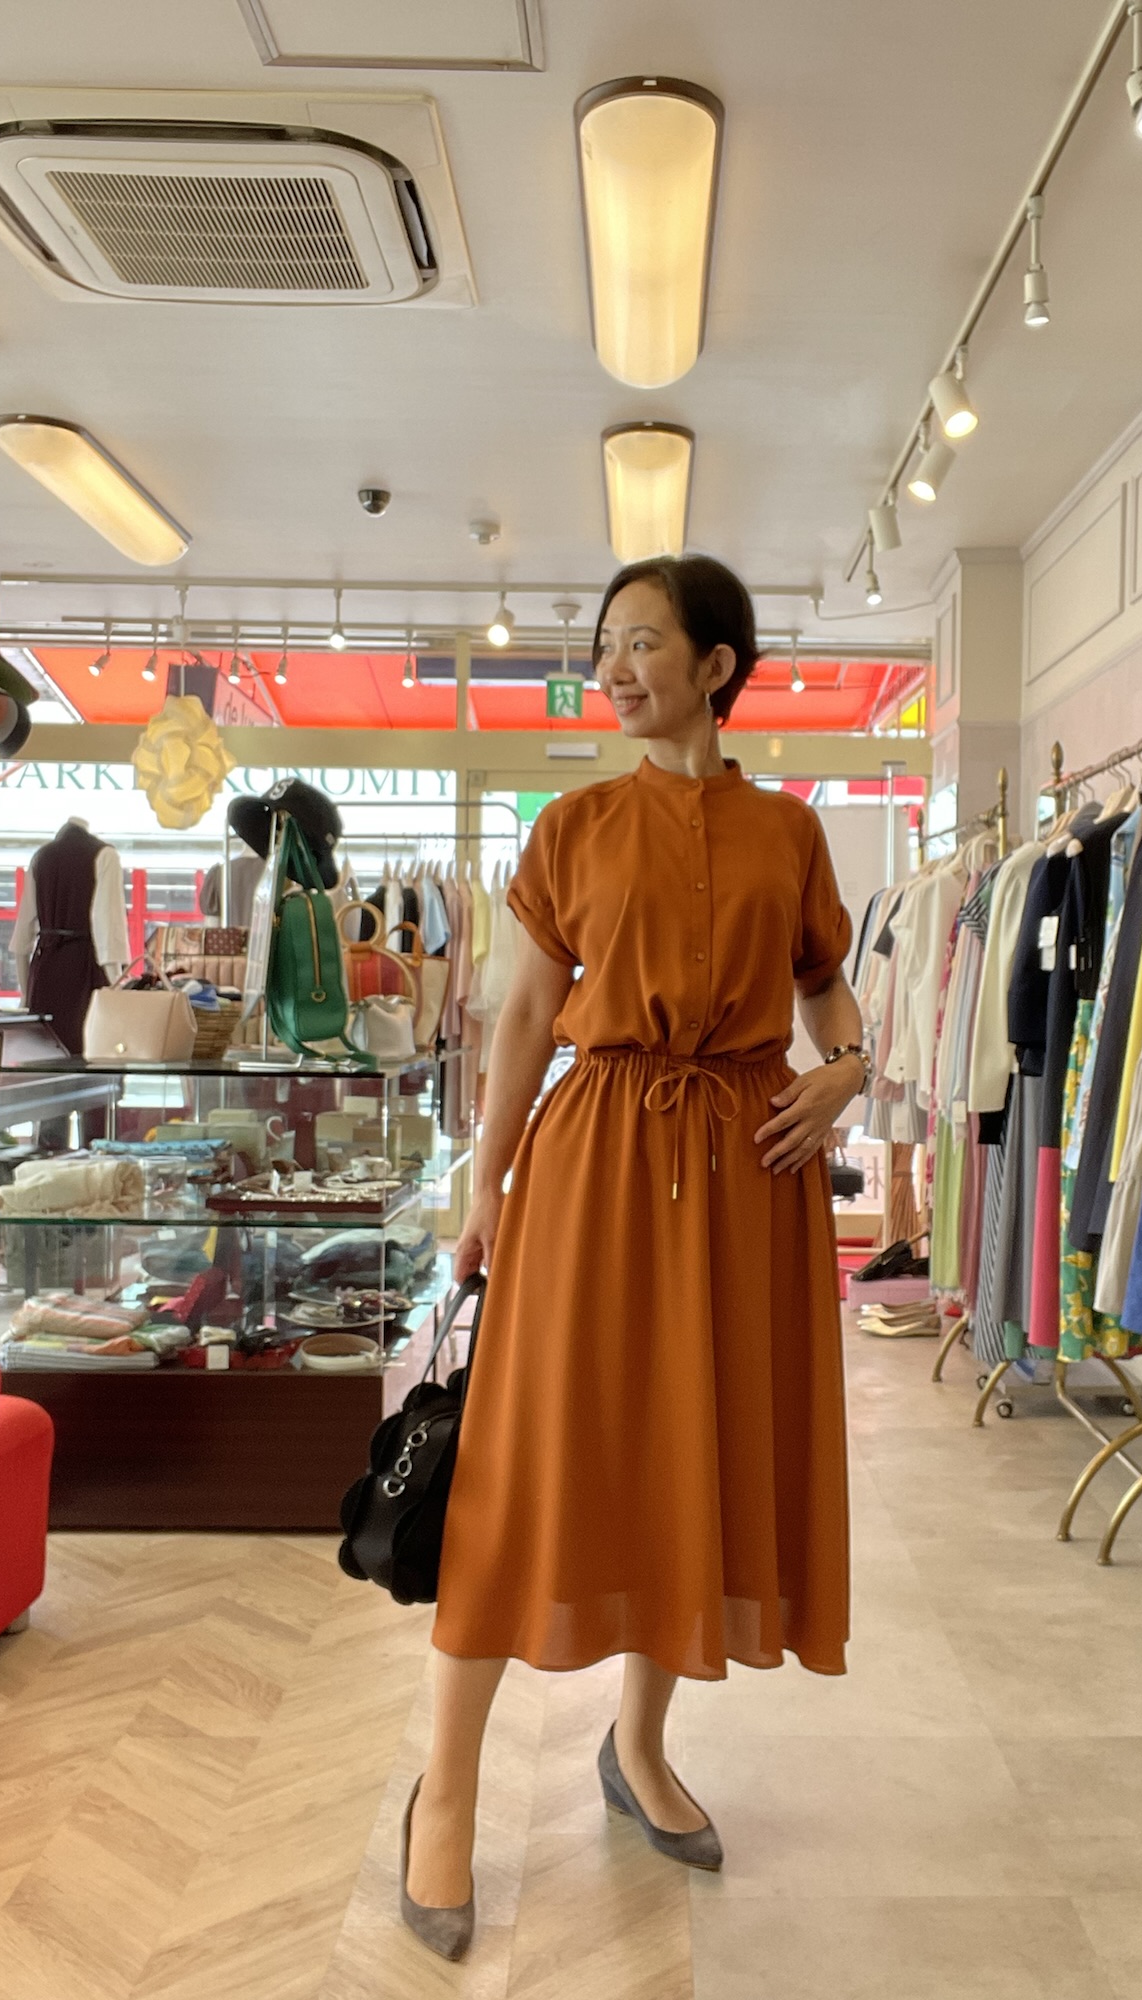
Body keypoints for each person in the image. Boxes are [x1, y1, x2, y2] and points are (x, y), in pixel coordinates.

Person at [400, 554, 866, 1960]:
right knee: (526, 1466)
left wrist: (848, 1067)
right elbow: (522, 1017)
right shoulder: (574, 827)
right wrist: (486, 1189)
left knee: (692, 1457)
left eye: (643, 642)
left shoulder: (790, 832)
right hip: (597, 1164)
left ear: (717, 666)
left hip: (749, 1173)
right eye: (606, 643)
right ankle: (447, 1795)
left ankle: (640, 1746)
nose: (612, 667)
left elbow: (825, 984)